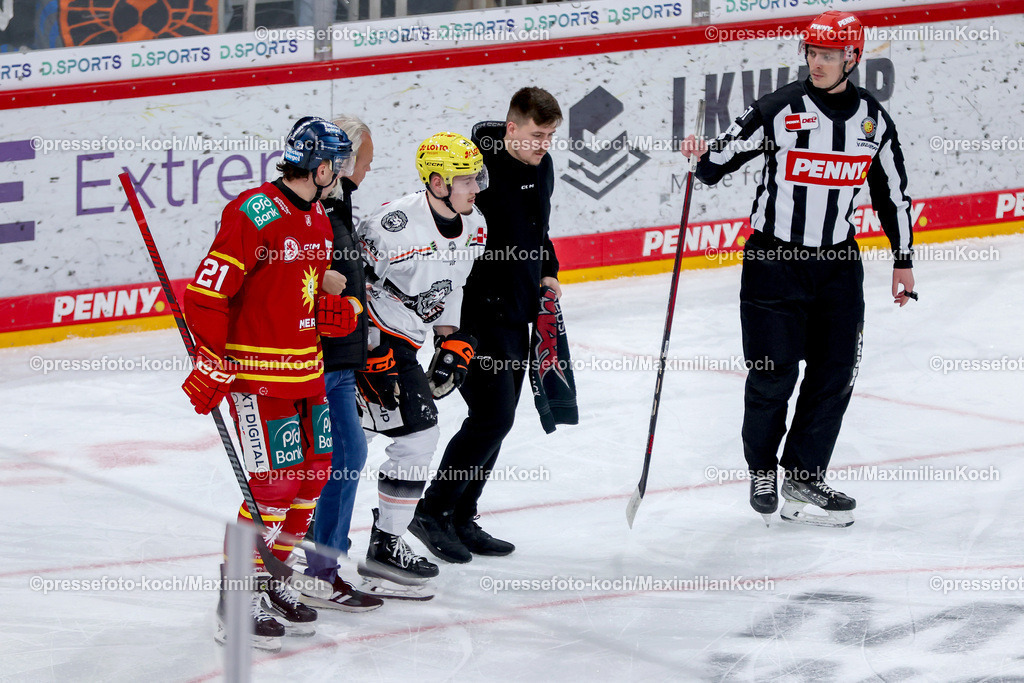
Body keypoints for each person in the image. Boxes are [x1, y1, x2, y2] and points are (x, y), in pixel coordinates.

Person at [681, 11, 916, 528]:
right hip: (774, 262)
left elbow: (893, 194)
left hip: (837, 265)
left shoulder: (872, 120)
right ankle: (762, 470)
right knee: (773, 372)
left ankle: (805, 474)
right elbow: (721, 160)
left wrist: (904, 259)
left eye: (829, 54)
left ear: (852, 58)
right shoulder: (779, 107)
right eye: (812, 52)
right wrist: (702, 155)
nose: (817, 62)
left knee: (834, 374)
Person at [182, 116, 363, 650]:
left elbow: (292, 293)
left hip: (307, 371)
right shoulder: (254, 211)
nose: (343, 173)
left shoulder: (320, 219)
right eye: (340, 163)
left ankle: (271, 578)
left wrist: (332, 310)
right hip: (259, 378)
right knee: (273, 487)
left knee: (311, 479)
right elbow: (205, 295)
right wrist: (213, 358)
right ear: (322, 165)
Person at [411, 87, 563, 563]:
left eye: (552, 136)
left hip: (518, 312)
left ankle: (461, 514)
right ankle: (432, 511)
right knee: (492, 416)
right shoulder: (478, 173)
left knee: (499, 419)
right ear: (511, 129)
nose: (545, 145)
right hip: (475, 316)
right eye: (537, 135)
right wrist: (448, 324)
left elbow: (538, 229)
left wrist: (548, 271)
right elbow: (446, 233)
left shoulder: (543, 167)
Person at [352, 131, 488, 597]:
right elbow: (350, 287)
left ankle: (361, 540)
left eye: (476, 177)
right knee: (414, 435)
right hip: (373, 341)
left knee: (359, 438)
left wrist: (451, 340)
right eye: (467, 179)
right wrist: (367, 350)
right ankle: (380, 542)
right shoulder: (390, 227)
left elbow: (454, 286)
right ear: (436, 182)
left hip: (405, 342)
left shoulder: (476, 225)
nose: (476, 187)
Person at [299, 115, 384, 612]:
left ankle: (317, 563)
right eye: (364, 161)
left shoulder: (337, 204)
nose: (368, 170)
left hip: (338, 359)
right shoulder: (313, 211)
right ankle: (318, 567)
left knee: (339, 458)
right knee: (342, 457)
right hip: (317, 360)